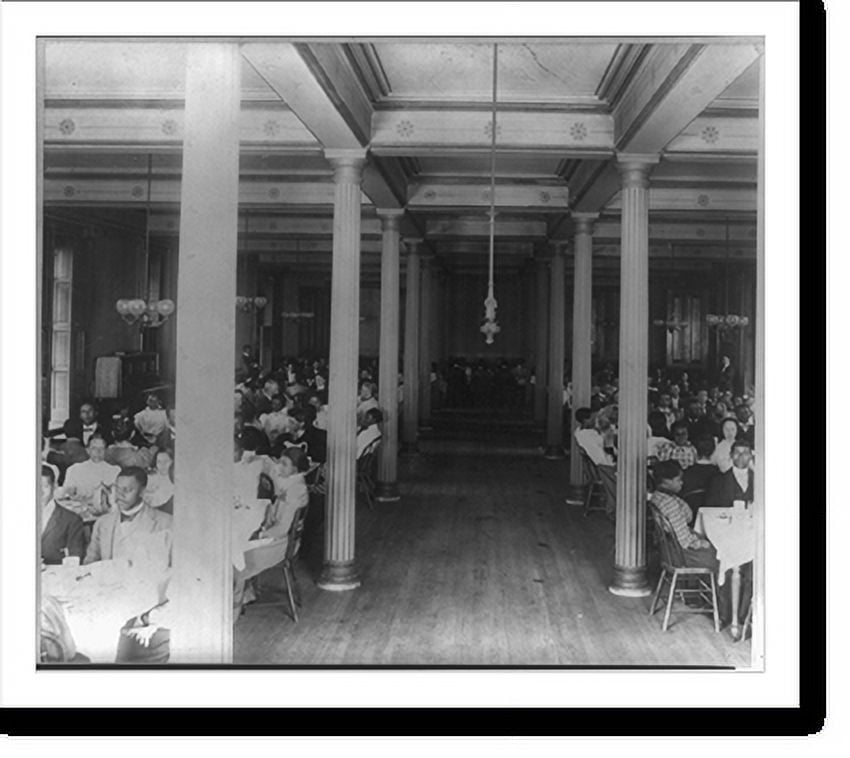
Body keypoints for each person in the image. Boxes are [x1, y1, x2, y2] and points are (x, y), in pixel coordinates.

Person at [84, 467, 173, 566]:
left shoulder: (166, 523)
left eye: (127, 490)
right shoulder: (102, 523)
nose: (120, 495)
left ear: (142, 492)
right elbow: (89, 564)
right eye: (117, 489)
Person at [60, 435, 121, 511]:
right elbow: (66, 494)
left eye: (101, 448)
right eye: (94, 448)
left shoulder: (115, 470)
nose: (98, 452)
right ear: (87, 450)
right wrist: (71, 493)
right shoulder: (74, 469)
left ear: (106, 451)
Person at [40, 464, 85, 565]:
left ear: (54, 486)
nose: (39, 492)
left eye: (44, 486)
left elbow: (74, 560)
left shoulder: (72, 520)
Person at [706, 439, 755, 506]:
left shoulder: (760, 480)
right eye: (737, 452)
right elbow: (710, 510)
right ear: (731, 455)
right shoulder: (718, 481)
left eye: (745, 453)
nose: (741, 456)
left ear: (750, 456)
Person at [680, 437, 718, 510]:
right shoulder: (718, 473)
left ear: (695, 450)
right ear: (714, 450)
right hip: (711, 513)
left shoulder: (686, 473)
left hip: (690, 512)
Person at [145, 449, 175, 513]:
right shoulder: (152, 474)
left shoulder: (172, 481)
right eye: (159, 462)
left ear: (173, 461)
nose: (162, 465)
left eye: (166, 461)